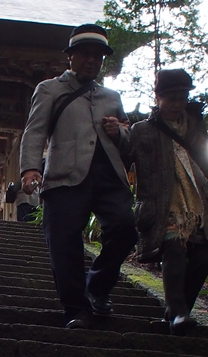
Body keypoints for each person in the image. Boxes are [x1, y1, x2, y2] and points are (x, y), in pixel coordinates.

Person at [19, 23, 136, 328]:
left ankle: (97, 285)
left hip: (108, 175)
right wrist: (30, 168)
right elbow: (35, 130)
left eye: (98, 56)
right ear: (70, 56)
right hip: (65, 175)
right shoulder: (50, 89)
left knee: (125, 227)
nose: (91, 60)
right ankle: (76, 309)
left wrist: (119, 132)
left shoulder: (112, 96)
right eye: (85, 54)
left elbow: (128, 138)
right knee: (63, 242)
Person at [130, 68, 208, 335]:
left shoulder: (194, 126)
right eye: (171, 98)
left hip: (197, 201)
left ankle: (179, 313)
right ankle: (178, 312)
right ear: (158, 98)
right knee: (175, 250)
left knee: (204, 259)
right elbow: (126, 156)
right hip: (165, 203)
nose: (177, 104)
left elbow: (207, 162)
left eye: (182, 98)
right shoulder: (142, 130)